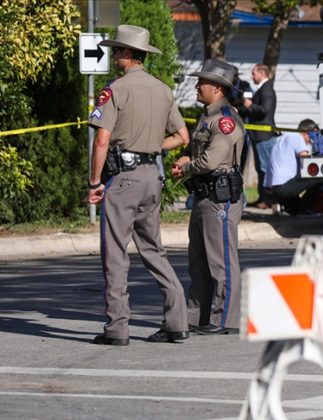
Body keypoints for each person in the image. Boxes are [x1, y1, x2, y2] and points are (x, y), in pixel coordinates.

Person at [87, 24, 190, 345]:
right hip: (151, 177)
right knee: (154, 251)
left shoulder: (115, 90)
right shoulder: (163, 89)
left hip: (123, 179)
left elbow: (101, 140)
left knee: (115, 254)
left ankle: (117, 327)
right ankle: (177, 321)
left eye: (116, 50)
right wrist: (150, 146)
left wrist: (94, 182)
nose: (114, 55)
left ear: (127, 54)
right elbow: (182, 137)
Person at [171, 59, 245, 335]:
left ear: (217, 87)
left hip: (220, 197)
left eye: (202, 81)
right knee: (198, 262)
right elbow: (202, 155)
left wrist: (187, 166)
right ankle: (197, 316)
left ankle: (223, 318)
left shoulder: (225, 119)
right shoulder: (208, 115)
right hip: (204, 195)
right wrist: (188, 160)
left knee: (221, 261)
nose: (197, 85)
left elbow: (211, 161)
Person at [264, 119, 323, 216]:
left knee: (295, 210)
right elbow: (306, 158)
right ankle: (306, 208)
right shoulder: (298, 138)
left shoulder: (285, 137)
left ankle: (287, 207)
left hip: (271, 187)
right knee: (317, 177)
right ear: (306, 132)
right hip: (283, 187)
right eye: (313, 135)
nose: (313, 139)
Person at [237, 63, 277, 209]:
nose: (252, 77)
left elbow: (265, 110)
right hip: (258, 136)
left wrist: (250, 106)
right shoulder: (262, 90)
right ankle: (263, 197)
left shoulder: (267, 90)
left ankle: (269, 200)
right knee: (261, 168)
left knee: (265, 168)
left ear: (261, 74)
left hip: (264, 136)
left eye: (253, 74)